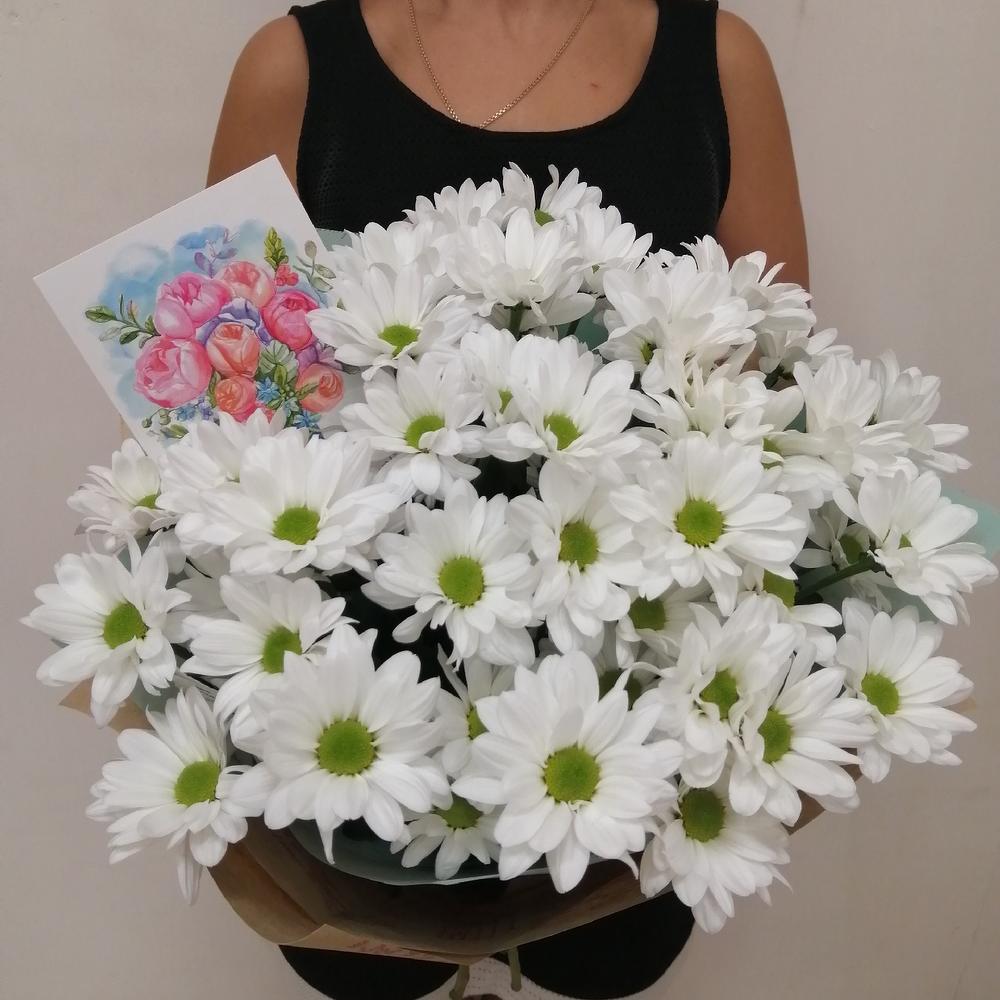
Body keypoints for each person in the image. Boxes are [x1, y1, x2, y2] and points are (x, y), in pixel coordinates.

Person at [207, 2, 809, 997]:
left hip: (625, 766)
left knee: (607, 961)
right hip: (349, 765)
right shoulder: (292, 71)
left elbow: (774, 401)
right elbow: (220, 420)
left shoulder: (719, 62)